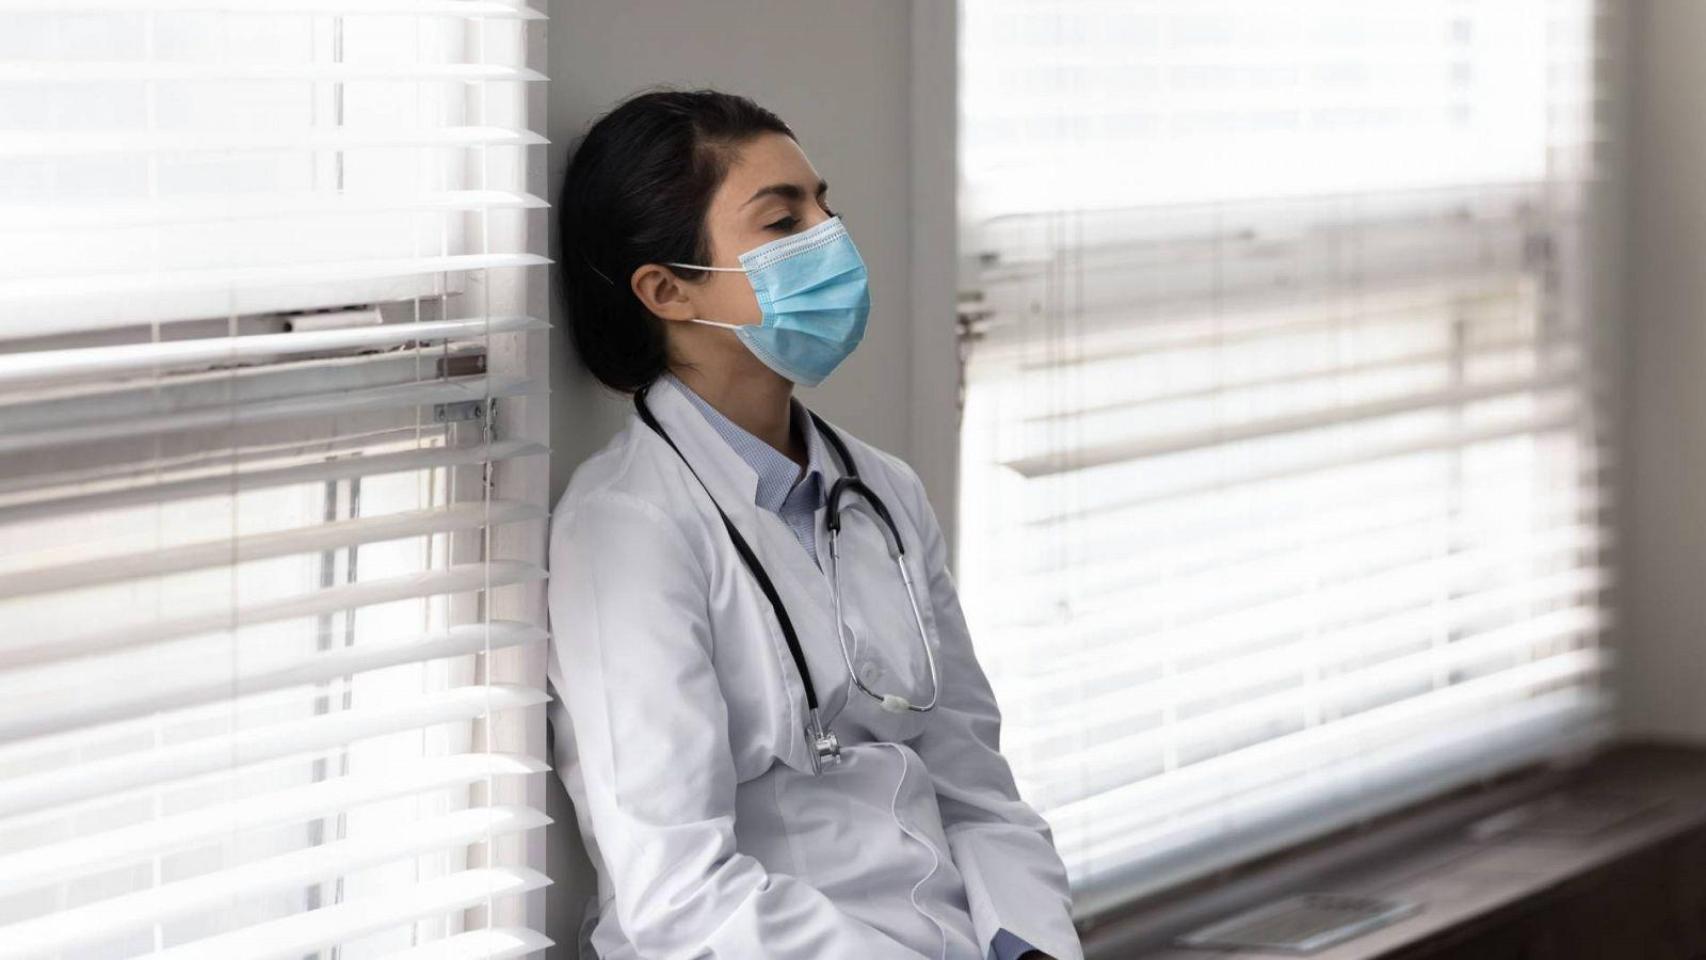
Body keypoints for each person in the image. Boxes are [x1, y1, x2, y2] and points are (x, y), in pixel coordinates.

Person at [548, 87, 1083, 960]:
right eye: (783, 223)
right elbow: (679, 894)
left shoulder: (885, 491)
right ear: (669, 290)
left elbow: (976, 790)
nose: (831, 240)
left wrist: (1028, 946)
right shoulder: (626, 531)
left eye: (825, 206)